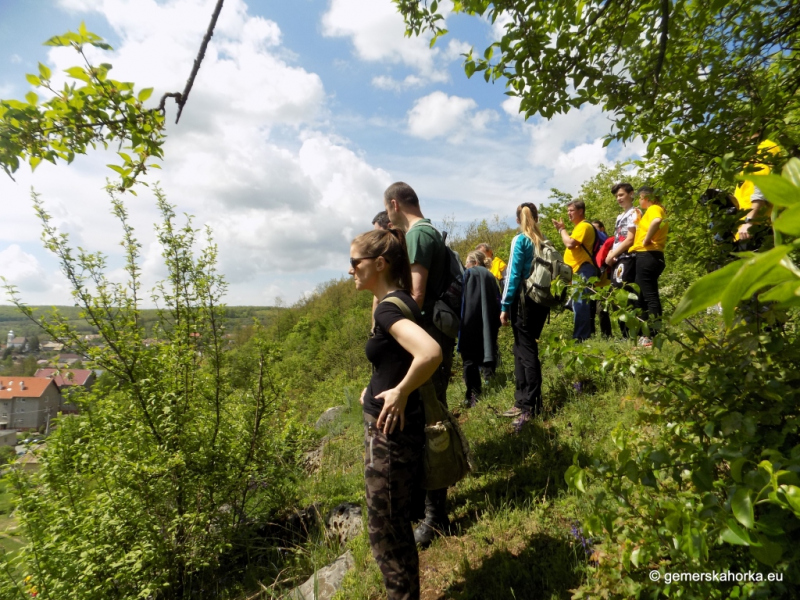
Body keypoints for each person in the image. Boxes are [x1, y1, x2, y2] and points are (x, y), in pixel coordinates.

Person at [351, 228, 442, 600]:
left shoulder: (389, 307)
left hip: (390, 437)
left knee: (386, 533)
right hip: (392, 431)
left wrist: (400, 391)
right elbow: (395, 357)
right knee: (394, 526)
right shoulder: (397, 300)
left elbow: (430, 353)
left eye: (355, 262)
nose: (350, 270)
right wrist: (374, 385)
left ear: (379, 263)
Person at [382, 181, 453, 547]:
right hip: (435, 336)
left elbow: (417, 294)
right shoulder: (427, 232)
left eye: (387, 210)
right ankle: (426, 506)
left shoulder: (418, 235)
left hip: (429, 339)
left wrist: (395, 328)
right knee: (428, 418)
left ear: (394, 204)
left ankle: (436, 515)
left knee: (431, 422)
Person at [499, 203, 551, 428]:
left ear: (518, 219)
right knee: (521, 348)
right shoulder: (545, 241)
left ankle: (531, 406)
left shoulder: (520, 240)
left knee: (526, 351)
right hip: (542, 302)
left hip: (523, 302)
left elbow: (512, 275)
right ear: (536, 217)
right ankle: (521, 401)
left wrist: (504, 305)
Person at [458, 250, 500, 406]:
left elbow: (463, 298)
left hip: (471, 322)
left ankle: (472, 396)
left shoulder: (470, 273)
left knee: (469, 358)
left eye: (467, 263)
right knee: (487, 350)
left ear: (474, 262)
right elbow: (498, 299)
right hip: (489, 322)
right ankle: (487, 381)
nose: (465, 266)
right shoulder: (490, 275)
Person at [552, 199, 596, 341]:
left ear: (580, 211)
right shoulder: (578, 227)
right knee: (579, 304)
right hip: (579, 270)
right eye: (568, 211)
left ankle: (581, 338)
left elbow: (570, 243)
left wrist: (562, 230)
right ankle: (584, 336)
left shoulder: (584, 226)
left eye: (571, 210)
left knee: (580, 304)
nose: (568, 213)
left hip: (584, 269)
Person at [631, 186, 669, 346]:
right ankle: (645, 335)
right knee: (640, 296)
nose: (639, 201)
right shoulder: (652, 210)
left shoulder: (654, 208)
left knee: (649, 296)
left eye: (640, 198)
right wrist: (639, 220)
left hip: (648, 255)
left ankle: (653, 335)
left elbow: (656, 221)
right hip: (648, 255)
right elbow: (649, 225)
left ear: (646, 198)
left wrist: (646, 240)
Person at [604, 182, 641, 338]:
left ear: (631, 194)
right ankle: (625, 334)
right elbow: (618, 239)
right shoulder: (620, 216)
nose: (618, 198)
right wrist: (611, 254)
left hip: (628, 257)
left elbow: (630, 239)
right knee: (615, 295)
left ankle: (634, 333)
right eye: (616, 196)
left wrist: (613, 254)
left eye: (621, 195)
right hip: (618, 258)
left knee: (625, 294)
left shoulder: (635, 212)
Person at [734, 139, 780, 250]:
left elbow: (761, 187)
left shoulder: (764, 147)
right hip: (746, 230)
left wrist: (749, 222)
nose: (735, 137)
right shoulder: (751, 156)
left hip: (756, 228)